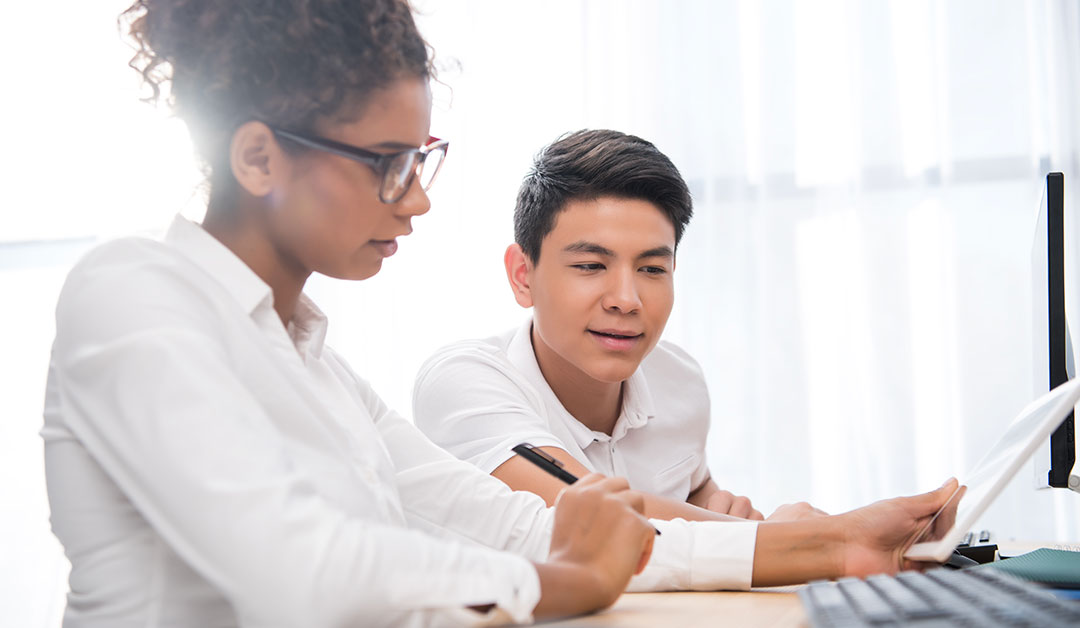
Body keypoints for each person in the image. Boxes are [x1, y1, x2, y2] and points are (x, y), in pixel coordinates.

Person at [42, 1, 957, 626]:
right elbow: (305, 571)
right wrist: (563, 581)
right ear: (257, 159)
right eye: (388, 164)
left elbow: (524, 526)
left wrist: (837, 541)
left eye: (422, 161)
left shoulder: (316, 365)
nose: (417, 202)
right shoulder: (132, 292)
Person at [414, 129, 809, 523]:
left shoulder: (680, 380)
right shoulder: (463, 383)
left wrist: (720, 508)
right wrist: (788, 541)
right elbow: (603, 521)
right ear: (522, 275)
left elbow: (697, 490)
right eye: (590, 266)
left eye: (652, 269)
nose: (626, 299)